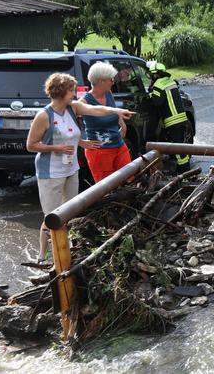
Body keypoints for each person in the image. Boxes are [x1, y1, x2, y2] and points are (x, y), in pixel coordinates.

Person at [26, 73, 134, 262]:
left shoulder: (73, 108)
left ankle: (68, 248)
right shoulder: (44, 116)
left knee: (70, 211)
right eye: (71, 91)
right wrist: (55, 147)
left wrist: (116, 112)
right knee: (52, 216)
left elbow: (96, 109)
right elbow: (31, 145)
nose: (74, 94)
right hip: (50, 171)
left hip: (71, 169)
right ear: (60, 92)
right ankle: (43, 255)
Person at [82, 62, 132, 183]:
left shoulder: (108, 94)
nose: (113, 81)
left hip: (119, 146)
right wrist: (80, 142)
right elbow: (66, 123)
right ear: (101, 81)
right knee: (106, 188)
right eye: (110, 79)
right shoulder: (84, 102)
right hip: (100, 152)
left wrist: (123, 125)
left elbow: (114, 111)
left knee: (130, 179)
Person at [147, 62, 192, 172]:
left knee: (177, 147)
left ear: (155, 75)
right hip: (181, 118)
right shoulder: (170, 81)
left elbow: (157, 102)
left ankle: (183, 169)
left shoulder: (158, 85)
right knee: (180, 145)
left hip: (173, 121)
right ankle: (185, 166)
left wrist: (150, 91)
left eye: (151, 76)